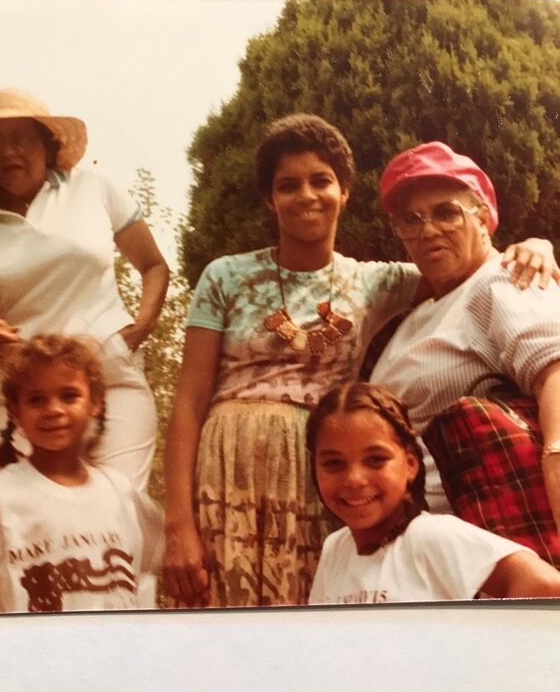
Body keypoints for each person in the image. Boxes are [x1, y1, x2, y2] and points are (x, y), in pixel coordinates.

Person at [162, 113, 555, 609]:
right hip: (236, 469)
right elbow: (189, 398)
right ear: (269, 198)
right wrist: (177, 523)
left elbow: (486, 283)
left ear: (344, 191)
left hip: (328, 481)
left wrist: (531, 249)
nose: (306, 195)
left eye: (320, 180)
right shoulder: (227, 276)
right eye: (288, 185)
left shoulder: (379, 282)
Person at [0, 88, 169, 492]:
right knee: (26, 524)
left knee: (116, 508)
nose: (8, 151)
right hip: (16, 395)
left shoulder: (94, 187)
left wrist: (139, 329)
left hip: (108, 374)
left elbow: (154, 266)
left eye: (20, 137)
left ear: (47, 143)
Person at [370, 141, 560, 526]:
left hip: (486, 544)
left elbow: (554, 371)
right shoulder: (419, 311)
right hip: (416, 544)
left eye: (446, 212)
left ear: (483, 216)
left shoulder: (505, 278)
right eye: (410, 219)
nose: (428, 230)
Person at [0, 335, 164, 614]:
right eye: (36, 400)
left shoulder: (120, 492)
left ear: (96, 403)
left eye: (69, 396)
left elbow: (162, 561)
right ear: (15, 413)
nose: (53, 410)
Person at [307, 381, 560, 604]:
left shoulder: (431, 535)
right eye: (333, 463)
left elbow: (545, 585)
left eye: (375, 459)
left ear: (410, 464)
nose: (355, 479)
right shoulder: (335, 548)